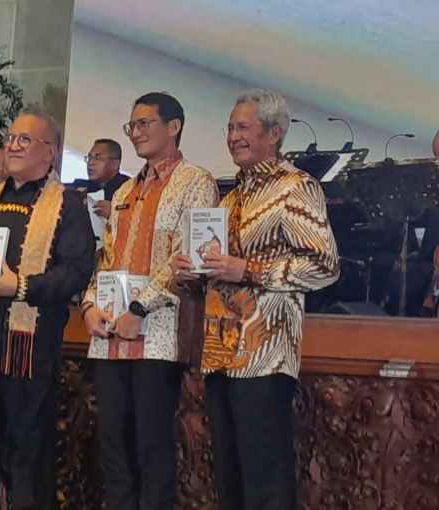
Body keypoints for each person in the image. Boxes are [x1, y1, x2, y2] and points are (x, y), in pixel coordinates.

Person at [174, 89, 339, 509]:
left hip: (264, 356)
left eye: (243, 127)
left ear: (274, 133)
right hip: (218, 352)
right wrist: (191, 274)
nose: (232, 136)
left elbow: (324, 266)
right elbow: (217, 273)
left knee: (265, 478)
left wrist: (248, 270)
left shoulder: (296, 188)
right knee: (229, 477)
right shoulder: (230, 198)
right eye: (230, 127)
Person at [0, 108, 95, 510]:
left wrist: (21, 286)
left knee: (26, 451)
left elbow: (77, 271)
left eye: (24, 140)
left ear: (51, 152)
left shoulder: (68, 205)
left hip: (25, 349)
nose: (13, 146)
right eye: (10, 138)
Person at [80, 92, 219, 509]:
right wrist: (89, 306)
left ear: (173, 126)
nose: (136, 132)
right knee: (113, 447)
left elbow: (188, 260)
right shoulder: (123, 192)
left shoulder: (196, 181)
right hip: (109, 333)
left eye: (144, 124)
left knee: (152, 446)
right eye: (131, 126)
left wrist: (139, 309)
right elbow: (104, 257)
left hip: (156, 334)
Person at [85, 138, 130, 219]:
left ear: (115, 164)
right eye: (89, 157)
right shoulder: (83, 187)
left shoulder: (130, 189)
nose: (90, 163)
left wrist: (115, 213)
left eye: (98, 158)